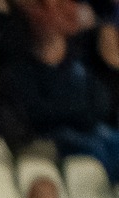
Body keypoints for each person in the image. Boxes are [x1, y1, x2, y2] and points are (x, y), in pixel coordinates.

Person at [9, 33, 119, 185]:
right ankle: (110, 185)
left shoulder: (77, 68)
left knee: (115, 140)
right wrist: (75, 112)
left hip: (88, 126)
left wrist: (81, 113)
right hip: (56, 131)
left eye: (57, 45)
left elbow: (98, 102)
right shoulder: (27, 73)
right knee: (96, 148)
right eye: (48, 46)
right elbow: (41, 111)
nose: (53, 49)